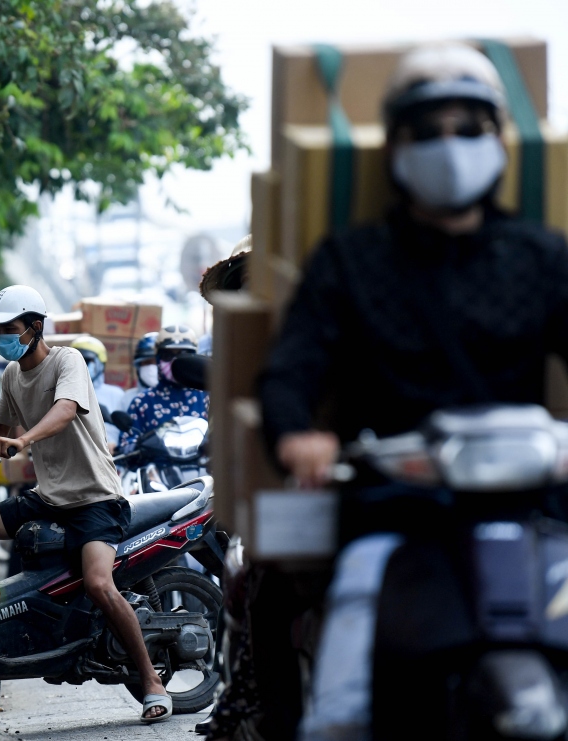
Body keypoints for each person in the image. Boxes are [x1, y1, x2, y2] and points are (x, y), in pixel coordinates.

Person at [243, 43, 568, 741]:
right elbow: (290, 369)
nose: (449, 148)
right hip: (395, 522)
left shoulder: (544, 259)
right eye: (427, 130)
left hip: (539, 516)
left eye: (468, 128)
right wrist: (297, 433)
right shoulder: (351, 262)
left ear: (498, 140)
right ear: (395, 145)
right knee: (341, 718)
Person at [0, 284, 173, 723]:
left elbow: (65, 409)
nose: (2, 336)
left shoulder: (67, 361)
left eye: (10, 328)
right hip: (49, 498)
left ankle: (151, 681)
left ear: (36, 327)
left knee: (98, 584)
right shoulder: (11, 376)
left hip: (96, 498)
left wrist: (22, 440)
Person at [117, 327, 208, 455]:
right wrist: (140, 446)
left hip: (203, 471)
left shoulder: (208, 398)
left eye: (183, 354)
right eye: (167, 356)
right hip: (157, 472)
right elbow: (127, 445)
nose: (175, 361)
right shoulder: (143, 402)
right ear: (158, 358)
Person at [70, 336, 126, 447]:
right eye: (77, 361)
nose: (82, 365)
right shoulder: (63, 393)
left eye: (87, 360)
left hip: (111, 458)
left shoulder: (116, 394)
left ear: (101, 363)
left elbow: (123, 429)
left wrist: (113, 444)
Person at [120, 332, 159, 413]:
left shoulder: (179, 397)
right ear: (138, 367)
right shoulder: (128, 398)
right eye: (147, 362)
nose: (151, 367)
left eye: (156, 362)